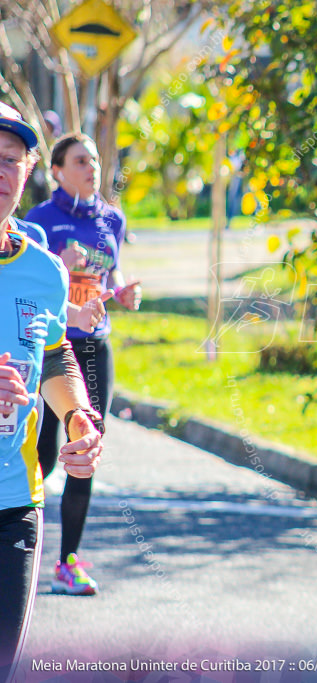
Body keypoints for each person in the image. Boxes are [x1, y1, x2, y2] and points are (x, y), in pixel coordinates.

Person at [0, 102, 103, 683]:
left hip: (13, 504)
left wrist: (78, 418)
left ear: (29, 170)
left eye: (11, 161)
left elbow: (55, 356)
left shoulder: (45, 271)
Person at [25, 132, 139, 596]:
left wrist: (126, 291)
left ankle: (67, 562)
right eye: (79, 161)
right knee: (44, 452)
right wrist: (58, 262)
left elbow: (113, 275)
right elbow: (29, 275)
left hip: (94, 344)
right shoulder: (39, 220)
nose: (91, 167)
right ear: (56, 171)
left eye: (94, 159)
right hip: (49, 346)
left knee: (84, 447)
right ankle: (18, 545)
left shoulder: (112, 218)